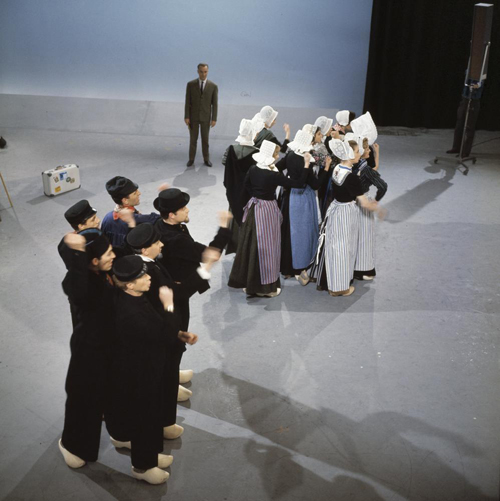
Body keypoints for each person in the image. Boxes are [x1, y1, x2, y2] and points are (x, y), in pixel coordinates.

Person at [125, 223, 217, 409]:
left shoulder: (148, 263)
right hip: (164, 324)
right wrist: (204, 270)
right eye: (157, 242)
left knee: (173, 355)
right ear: (144, 249)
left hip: (167, 321)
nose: (162, 244)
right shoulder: (148, 272)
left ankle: (173, 375)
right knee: (169, 356)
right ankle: (169, 386)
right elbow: (177, 293)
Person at [106, 255, 177, 485]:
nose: (149, 278)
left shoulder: (128, 297)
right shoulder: (133, 314)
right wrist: (169, 304)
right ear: (129, 284)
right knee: (146, 419)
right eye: (142, 276)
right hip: (141, 374)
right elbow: (165, 335)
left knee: (146, 417)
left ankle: (148, 454)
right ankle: (143, 466)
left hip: (139, 368)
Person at [58, 229, 116, 469]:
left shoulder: (102, 273)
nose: (114, 255)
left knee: (111, 393)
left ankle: (121, 432)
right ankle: (71, 444)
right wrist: (78, 253)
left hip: (110, 345)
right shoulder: (78, 282)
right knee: (84, 400)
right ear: (92, 261)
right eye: (108, 253)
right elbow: (79, 291)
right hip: (89, 352)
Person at [228, 140, 311, 297]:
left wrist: (256, 195)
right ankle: (265, 288)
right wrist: (306, 165)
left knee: (251, 246)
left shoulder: (253, 169)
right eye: (276, 154)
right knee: (268, 249)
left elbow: (246, 186)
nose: (278, 156)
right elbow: (299, 183)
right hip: (267, 211)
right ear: (270, 156)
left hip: (254, 209)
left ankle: (249, 283)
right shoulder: (273, 175)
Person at [312, 139, 383, 296]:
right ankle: (340, 288)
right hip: (345, 213)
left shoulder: (337, 168)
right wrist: (377, 207)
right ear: (350, 155)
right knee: (344, 249)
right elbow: (364, 202)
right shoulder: (351, 178)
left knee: (334, 247)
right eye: (357, 152)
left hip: (335, 209)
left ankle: (333, 282)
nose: (359, 154)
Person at [277, 129, 331, 285]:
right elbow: (315, 184)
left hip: (290, 198)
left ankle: (287, 268)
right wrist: (326, 168)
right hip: (303, 200)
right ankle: (300, 267)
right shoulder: (305, 161)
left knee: (289, 232)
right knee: (303, 234)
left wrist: (287, 181)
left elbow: (276, 168)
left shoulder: (290, 155)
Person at [350, 137, 387, 281]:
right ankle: (364, 270)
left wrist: (377, 153)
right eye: (366, 149)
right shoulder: (365, 169)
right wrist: (376, 201)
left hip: (350, 204)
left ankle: (352, 267)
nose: (369, 151)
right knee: (365, 237)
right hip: (363, 204)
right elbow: (382, 186)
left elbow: (373, 170)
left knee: (353, 237)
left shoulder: (352, 165)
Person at [222, 118, 259, 253]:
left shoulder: (231, 149)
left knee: (234, 216)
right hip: (248, 195)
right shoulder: (257, 153)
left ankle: (233, 246)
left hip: (233, 190)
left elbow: (225, 163)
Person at [100, 176, 160, 249]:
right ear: (125, 200)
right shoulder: (140, 220)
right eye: (135, 193)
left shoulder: (107, 218)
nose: (139, 193)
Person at [184, 63, 218, 167]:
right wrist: (186, 116)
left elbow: (215, 104)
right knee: (193, 139)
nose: (203, 74)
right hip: (193, 117)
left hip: (206, 117)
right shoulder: (191, 85)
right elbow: (187, 102)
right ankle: (191, 159)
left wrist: (214, 119)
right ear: (198, 72)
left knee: (205, 140)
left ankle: (206, 159)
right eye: (201, 72)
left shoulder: (213, 86)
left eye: (205, 72)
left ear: (208, 72)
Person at [447, 79, 484, 157]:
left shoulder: (481, 71)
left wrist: (477, 85)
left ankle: (465, 151)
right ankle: (456, 147)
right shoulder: (469, 71)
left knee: (469, 126)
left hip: (474, 99)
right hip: (465, 98)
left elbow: (481, 81)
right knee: (459, 125)